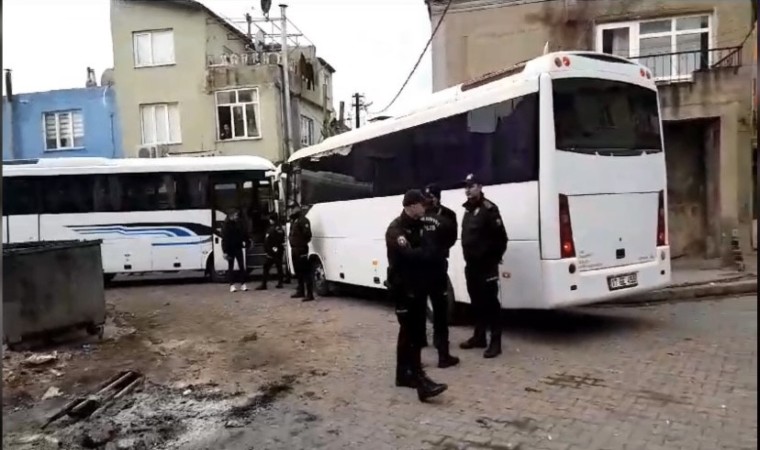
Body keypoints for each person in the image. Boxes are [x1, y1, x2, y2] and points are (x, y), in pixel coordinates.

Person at [386, 189, 448, 402]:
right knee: (411, 334)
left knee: (410, 334)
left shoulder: (419, 225)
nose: (425, 207)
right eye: (422, 204)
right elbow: (410, 256)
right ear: (412, 206)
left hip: (418, 287)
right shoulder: (396, 230)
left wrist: (427, 253)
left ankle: (403, 375)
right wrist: (427, 253)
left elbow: (432, 249)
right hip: (404, 290)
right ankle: (421, 381)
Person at [459, 174, 508, 358]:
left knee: (491, 304)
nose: (468, 190)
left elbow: (501, 239)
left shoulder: (489, 209)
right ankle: (479, 337)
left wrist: (493, 259)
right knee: (477, 302)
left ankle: (496, 342)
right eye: (466, 187)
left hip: (486, 267)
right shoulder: (468, 209)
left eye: (471, 186)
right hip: (471, 266)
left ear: (480, 187)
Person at [419, 183, 460, 368]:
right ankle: (420, 343)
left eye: (432, 196)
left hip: (437, 265)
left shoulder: (448, 215)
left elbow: (451, 239)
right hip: (423, 267)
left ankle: (442, 351)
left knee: (440, 310)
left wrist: (437, 249)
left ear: (438, 197)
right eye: (427, 197)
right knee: (420, 306)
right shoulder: (421, 214)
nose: (430, 200)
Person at [288, 204, 314, 301]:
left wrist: (301, 244)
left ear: (297, 209)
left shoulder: (303, 220)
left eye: (292, 209)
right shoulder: (294, 220)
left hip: (301, 249)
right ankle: (301, 290)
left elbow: (308, 235)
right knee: (298, 271)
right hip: (294, 249)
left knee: (305, 271)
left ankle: (310, 294)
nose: (291, 211)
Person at [222, 209, 250, 292]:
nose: (237, 217)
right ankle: (232, 285)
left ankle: (243, 283)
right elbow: (225, 239)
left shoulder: (238, 223)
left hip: (238, 247)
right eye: (235, 215)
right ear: (231, 216)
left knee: (241, 266)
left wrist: (247, 241)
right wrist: (225, 251)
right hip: (230, 249)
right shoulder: (226, 225)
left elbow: (243, 233)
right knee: (231, 267)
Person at [256, 212, 285, 290]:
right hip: (272, 250)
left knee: (268, 266)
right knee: (277, 266)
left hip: (274, 251)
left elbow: (278, 239)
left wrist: (273, 249)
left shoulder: (276, 228)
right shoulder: (273, 227)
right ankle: (279, 282)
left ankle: (265, 284)